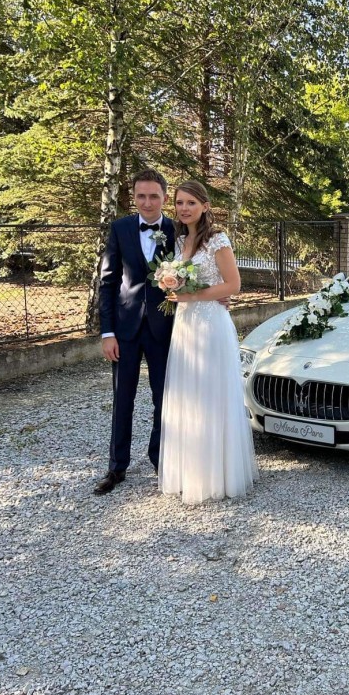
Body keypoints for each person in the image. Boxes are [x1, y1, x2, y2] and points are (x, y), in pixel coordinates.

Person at [158, 180, 257, 504]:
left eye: (191, 202)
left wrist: (192, 295)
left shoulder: (217, 239)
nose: (184, 208)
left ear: (205, 206)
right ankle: (190, 473)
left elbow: (233, 284)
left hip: (211, 325)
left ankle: (217, 475)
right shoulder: (179, 240)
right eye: (180, 202)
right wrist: (172, 286)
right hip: (185, 325)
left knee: (211, 395)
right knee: (189, 395)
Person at [94, 169, 175, 495]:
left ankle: (161, 461)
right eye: (141, 196)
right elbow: (108, 283)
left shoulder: (177, 230)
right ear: (134, 197)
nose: (147, 202)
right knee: (122, 398)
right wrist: (107, 333)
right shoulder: (120, 228)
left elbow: (196, 272)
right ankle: (117, 467)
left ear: (164, 197)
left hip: (163, 329)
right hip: (124, 330)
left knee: (164, 399)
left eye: (154, 196)